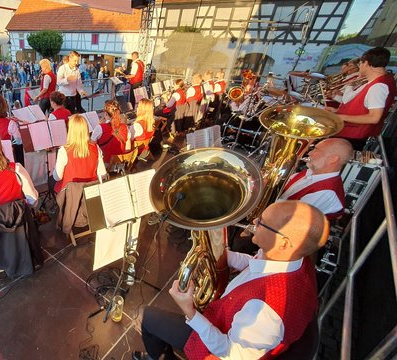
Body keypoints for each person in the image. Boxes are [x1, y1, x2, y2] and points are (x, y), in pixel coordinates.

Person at [134, 201, 329, 360]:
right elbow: (255, 262)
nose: (254, 221)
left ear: (284, 243)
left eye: (262, 222)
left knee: (145, 317)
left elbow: (230, 353)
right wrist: (221, 254)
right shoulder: (296, 260)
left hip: (218, 347)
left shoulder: (265, 313)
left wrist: (189, 311)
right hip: (225, 316)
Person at [326, 47, 396, 150]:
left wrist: (341, 117)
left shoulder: (378, 86)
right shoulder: (377, 82)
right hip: (348, 134)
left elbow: (374, 117)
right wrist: (337, 111)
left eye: (360, 64)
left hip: (352, 137)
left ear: (366, 63)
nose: (360, 67)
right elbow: (364, 108)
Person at [277, 138, 353, 219]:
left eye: (316, 150)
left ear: (333, 159)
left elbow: (286, 216)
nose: (310, 153)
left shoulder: (326, 193)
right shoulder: (310, 172)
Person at [52, 114, 106, 193]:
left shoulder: (64, 150)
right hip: (90, 190)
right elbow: (102, 174)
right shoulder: (95, 148)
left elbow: (57, 177)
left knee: (51, 181)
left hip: (71, 193)